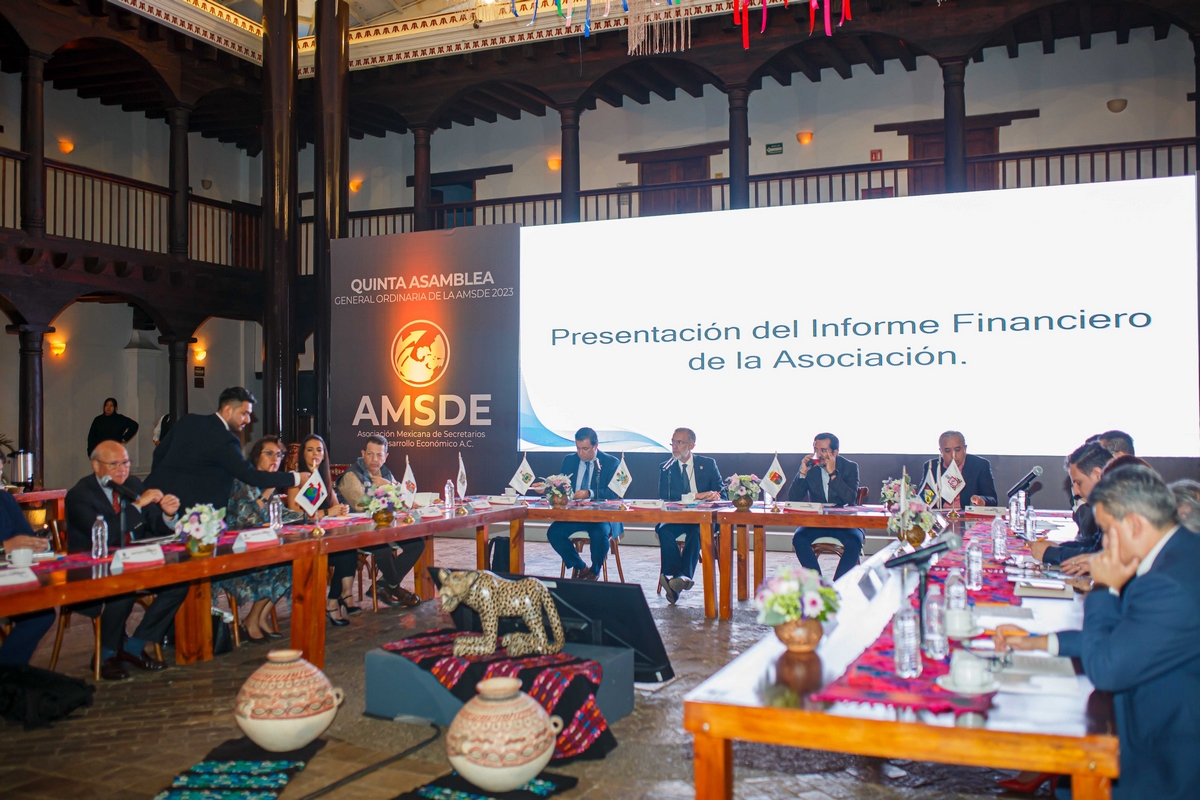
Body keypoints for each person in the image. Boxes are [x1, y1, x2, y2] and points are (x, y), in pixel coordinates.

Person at [998, 465, 1200, 800]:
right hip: (1155, 722)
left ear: (1135, 524)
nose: (1103, 543)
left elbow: (1107, 669)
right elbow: (1133, 636)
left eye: (1107, 530)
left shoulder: (1168, 583)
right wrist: (1036, 642)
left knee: (1070, 759)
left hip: (1165, 758)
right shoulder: (1177, 553)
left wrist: (1105, 588)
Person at [66, 441, 188, 679]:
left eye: (126, 463)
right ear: (96, 465)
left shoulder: (132, 484)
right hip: (93, 568)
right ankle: (106, 654)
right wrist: (138, 505)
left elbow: (154, 524)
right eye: (114, 464)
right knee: (123, 588)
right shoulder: (79, 494)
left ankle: (135, 646)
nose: (122, 469)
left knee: (179, 583)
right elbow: (105, 533)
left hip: (136, 561)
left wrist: (168, 514)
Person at [147, 387, 306, 511]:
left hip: (158, 503)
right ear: (228, 410)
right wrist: (296, 478)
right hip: (194, 515)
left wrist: (160, 488)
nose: (248, 420)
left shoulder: (188, 421)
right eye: (244, 413)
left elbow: (159, 454)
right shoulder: (225, 439)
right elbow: (251, 476)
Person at [212, 437, 300, 643]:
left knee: (293, 566)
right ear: (256, 456)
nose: (275, 459)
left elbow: (282, 515)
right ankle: (252, 619)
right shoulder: (244, 482)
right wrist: (269, 488)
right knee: (279, 568)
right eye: (269, 454)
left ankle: (259, 618)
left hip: (263, 550)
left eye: (279, 455)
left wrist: (313, 516)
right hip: (237, 552)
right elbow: (248, 519)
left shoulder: (269, 485)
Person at [335, 435, 422, 609]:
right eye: (370, 454)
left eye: (379, 455)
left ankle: (384, 585)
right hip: (357, 532)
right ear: (363, 454)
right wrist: (387, 488)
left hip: (384, 528)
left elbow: (403, 497)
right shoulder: (351, 475)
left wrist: (389, 485)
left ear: (385, 457)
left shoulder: (385, 473)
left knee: (417, 544)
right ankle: (394, 588)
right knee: (383, 548)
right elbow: (363, 504)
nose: (374, 459)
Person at [285, 435, 356, 624]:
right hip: (304, 542)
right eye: (310, 450)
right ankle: (340, 599)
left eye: (319, 450)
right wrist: (327, 512)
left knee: (349, 550)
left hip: (326, 539)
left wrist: (341, 509)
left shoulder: (324, 479)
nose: (315, 454)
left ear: (324, 455)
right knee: (344, 554)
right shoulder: (296, 479)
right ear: (303, 454)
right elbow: (295, 516)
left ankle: (333, 600)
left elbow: (335, 506)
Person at [538, 427, 624, 581]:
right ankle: (581, 567)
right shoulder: (569, 460)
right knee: (554, 533)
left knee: (599, 534)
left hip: (600, 517)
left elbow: (615, 493)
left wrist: (589, 493)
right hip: (574, 515)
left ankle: (594, 571)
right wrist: (546, 487)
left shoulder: (611, 463)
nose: (581, 453)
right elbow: (560, 487)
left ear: (595, 445)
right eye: (578, 448)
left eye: (585, 449)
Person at [655, 428, 723, 604]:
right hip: (677, 518)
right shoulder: (666, 467)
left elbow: (721, 492)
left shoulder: (708, 464)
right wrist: (696, 496)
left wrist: (714, 495)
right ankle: (679, 578)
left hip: (702, 519)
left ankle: (676, 579)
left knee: (697, 532)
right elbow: (665, 495)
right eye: (673, 442)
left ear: (691, 445)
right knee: (663, 530)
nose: (674, 447)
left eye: (679, 442)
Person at [788, 433, 862, 579]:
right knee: (799, 539)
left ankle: (839, 585)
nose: (818, 454)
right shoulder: (811, 467)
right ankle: (817, 583)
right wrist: (802, 473)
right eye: (816, 450)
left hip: (844, 522)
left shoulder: (850, 467)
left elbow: (849, 498)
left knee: (855, 541)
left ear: (835, 452)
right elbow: (793, 498)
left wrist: (833, 474)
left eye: (823, 450)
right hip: (817, 522)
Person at [1030, 441, 1112, 567]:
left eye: (1078, 483)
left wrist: (1050, 553)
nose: (1076, 492)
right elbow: (1094, 544)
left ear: (1098, 475)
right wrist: (1059, 548)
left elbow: (1101, 556)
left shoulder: (1121, 504)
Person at [0, 492, 54, 665]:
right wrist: (4, 547)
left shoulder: (4, 499)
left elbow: (26, 537)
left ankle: (8, 670)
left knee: (41, 614)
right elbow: (9, 545)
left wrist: (36, 544)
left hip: (9, 579)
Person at [919, 431, 998, 508]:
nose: (953, 455)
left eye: (957, 450)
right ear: (941, 452)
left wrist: (982, 500)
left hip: (967, 514)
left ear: (965, 449)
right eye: (947, 451)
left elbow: (992, 499)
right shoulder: (931, 467)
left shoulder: (980, 465)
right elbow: (921, 500)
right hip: (939, 514)